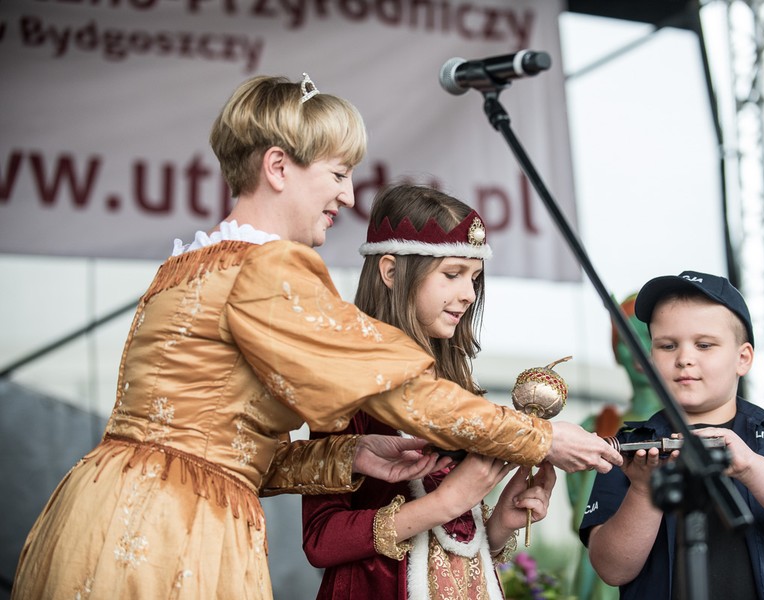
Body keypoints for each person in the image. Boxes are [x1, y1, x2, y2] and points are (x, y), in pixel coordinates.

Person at [11, 75, 620, 599]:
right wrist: (540, 437)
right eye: (338, 174)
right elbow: (400, 393)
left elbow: (219, 444)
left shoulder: (186, 267)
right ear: (278, 167)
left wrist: (349, 456)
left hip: (108, 502)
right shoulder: (268, 266)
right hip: (176, 522)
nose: (347, 196)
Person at [302, 184, 557, 599]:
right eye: (452, 274)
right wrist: (445, 503)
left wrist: (499, 523)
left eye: (474, 278)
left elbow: (455, 542)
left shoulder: (457, 385)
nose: (468, 294)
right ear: (390, 272)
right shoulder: (348, 379)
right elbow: (320, 538)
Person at [579, 270, 764, 599]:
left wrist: (752, 467)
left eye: (704, 345)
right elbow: (611, 569)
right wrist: (643, 490)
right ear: (650, 359)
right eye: (667, 346)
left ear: (742, 358)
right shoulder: (630, 445)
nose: (684, 359)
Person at [567, 293, 659, 600]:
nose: (638, 349)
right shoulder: (594, 427)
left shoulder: (691, 428)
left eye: (649, 337)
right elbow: (579, 516)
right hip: (597, 576)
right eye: (627, 339)